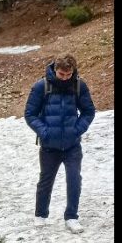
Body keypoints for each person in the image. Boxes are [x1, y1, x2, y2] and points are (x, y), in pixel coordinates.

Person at [23, 53, 97, 233]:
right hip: (49, 146)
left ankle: (71, 217)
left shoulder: (79, 85)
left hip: (72, 145)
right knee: (46, 180)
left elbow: (88, 111)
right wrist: (44, 132)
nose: (64, 78)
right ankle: (40, 215)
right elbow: (30, 114)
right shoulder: (41, 86)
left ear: (73, 71)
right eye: (61, 74)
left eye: (68, 74)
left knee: (74, 180)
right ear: (55, 69)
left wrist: (76, 130)